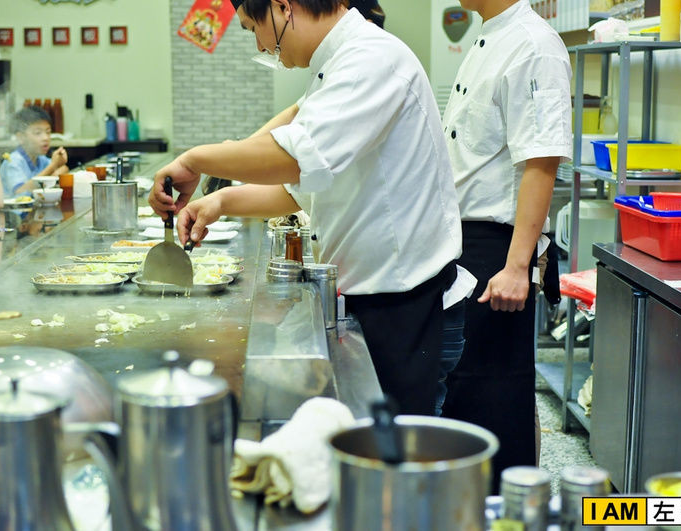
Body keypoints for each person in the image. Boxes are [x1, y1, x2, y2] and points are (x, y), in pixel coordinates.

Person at [150, 0, 471, 415]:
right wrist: (221, 200)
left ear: (283, 7)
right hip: (376, 298)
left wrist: (195, 159)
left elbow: (296, 158)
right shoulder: (335, 66)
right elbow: (299, 188)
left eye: (252, 29)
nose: (262, 46)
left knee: (398, 461)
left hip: (405, 304)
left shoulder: (371, 58)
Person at [439, 0, 572, 485]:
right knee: (465, 391)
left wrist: (517, 267)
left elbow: (541, 161)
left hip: (497, 249)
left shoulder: (534, 45)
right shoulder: (485, 39)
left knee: (495, 394)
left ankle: (506, 508)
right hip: (462, 244)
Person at [0, 106, 68, 198]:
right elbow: (20, 191)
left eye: (48, 132)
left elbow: (64, 169)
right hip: (14, 211)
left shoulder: (40, 159)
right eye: (37, 133)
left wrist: (56, 167)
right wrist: (53, 166)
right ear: (20, 137)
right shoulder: (13, 161)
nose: (46, 138)